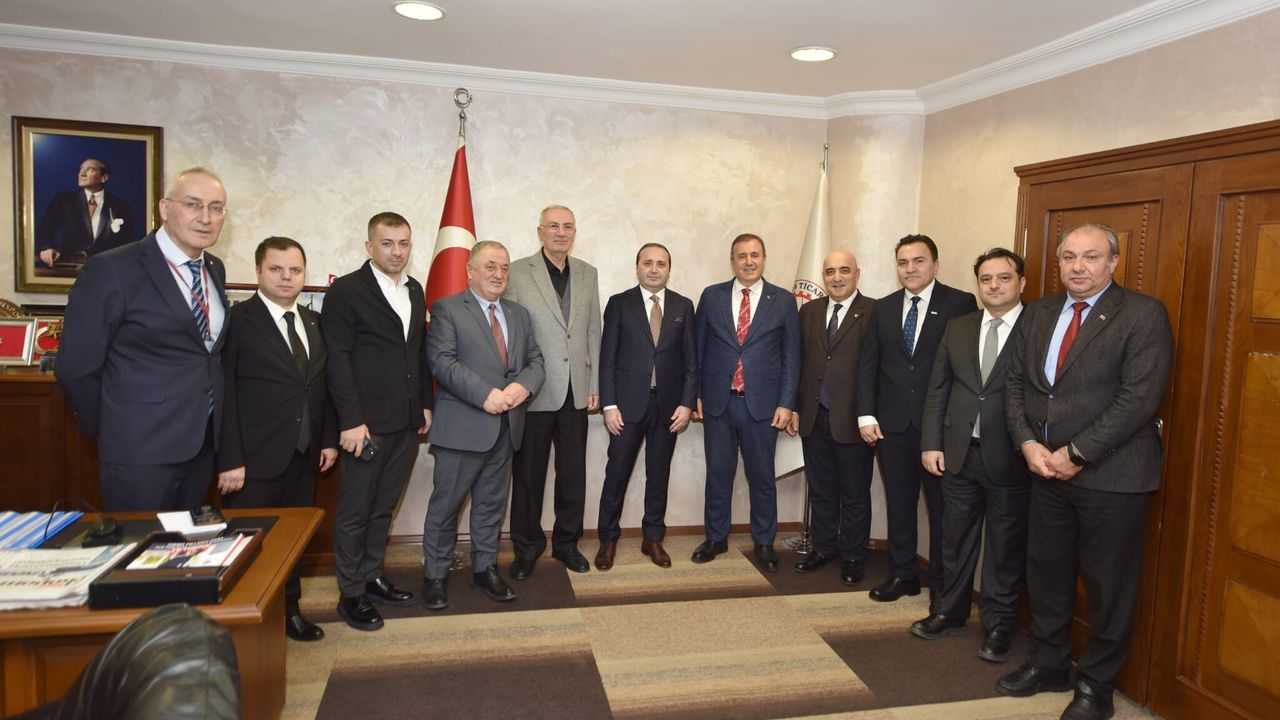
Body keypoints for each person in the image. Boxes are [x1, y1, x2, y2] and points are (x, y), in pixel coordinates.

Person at [997, 223, 1173, 720]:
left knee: (1108, 586)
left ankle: (1097, 686)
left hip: (1113, 477)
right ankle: (1048, 664)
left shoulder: (1142, 314)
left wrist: (1075, 453)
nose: (1078, 266)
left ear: (1113, 262)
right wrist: (1027, 443)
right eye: (1069, 257)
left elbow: (1139, 398)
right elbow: (1015, 385)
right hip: (1045, 471)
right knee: (1047, 575)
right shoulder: (1040, 313)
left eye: (1091, 257)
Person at [57, 167, 230, 511]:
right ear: (165, 208)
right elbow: (76, 366)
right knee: (138, 544)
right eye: (193, 204)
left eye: (216, 208)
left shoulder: (214, 268)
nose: (206, 217)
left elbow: (206, 355)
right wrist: (115, 426)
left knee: (185, 543)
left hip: (201, 445)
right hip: (139, 448)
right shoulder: (113, 268)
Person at [215, 236, 337, 643]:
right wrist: (230, 458)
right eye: (276, 269)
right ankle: (245, 626)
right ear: (258, 272)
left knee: (291, 543)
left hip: (304, 457)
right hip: (252, 461)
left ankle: (290, 611)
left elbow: (320, 388)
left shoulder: (314, 321)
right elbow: (225, 394)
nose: (287, 277)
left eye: (295, 270)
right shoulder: (237, 321)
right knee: (248, 546)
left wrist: (327, 440)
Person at [911, 247, 1029, 664]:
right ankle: (950, 611)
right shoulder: (960, 327)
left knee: (1004, 547)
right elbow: (938, 388)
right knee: (955, 539)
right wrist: (931, 442)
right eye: (986, 279)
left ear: (1021, 283)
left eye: (1004, 278)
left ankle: (998, 625)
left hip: (1012, 457)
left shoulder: (1036, 327)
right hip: (959, 454)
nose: (994, 286)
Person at [322, 211, 433, 632]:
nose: (396, 251)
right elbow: (337, 360)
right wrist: (351, 420)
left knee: (383, 508)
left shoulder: (415, 289)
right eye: (387, 243)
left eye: (403, 243)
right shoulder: (346, 291)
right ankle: (350, 593)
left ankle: (371, 576)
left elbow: (417, 352)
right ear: (370, 246)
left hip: (405, 422)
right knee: (356, 510)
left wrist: (424, 404)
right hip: (364, 426)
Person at [421, 241, 544, 610]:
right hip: (463, 427)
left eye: (504, 267)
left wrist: (524, 386)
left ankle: (485, 569)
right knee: (446, 507)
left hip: (506, 428)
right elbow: (441, 361)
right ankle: (435, 575)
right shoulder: (447, 309)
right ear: (469, 270)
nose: (498, 274)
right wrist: (485, 394)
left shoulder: (519, 314)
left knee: (491, 506)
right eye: (490, 266)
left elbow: (536, 361)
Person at [856, 234, 978, 602]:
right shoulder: (883, 308)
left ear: (935, 265)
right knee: (900, 504)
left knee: (943, 510)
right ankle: (903, 574)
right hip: (891, 425)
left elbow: (967, 368)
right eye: (903, 263)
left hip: (939, 430)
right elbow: (869, 365)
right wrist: (866, 414)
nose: (910, 269)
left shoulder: (960, 303)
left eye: (918, 261)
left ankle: (941, 583)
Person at [503, 205, 602, 579]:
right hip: (533, 391)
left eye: (568, 227)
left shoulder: (588, 273)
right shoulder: (517, 271)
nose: (561, 232)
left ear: (574, 232)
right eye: (554, 226)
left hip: (576, 391)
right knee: (528, 476)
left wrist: (594, 385)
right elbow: (509, 332)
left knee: (572, 473)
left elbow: (593, 330)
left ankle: (566, 544)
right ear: (540, 231)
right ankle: (526, 548)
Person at [692, 233, 799, 571]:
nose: (748, 261)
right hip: (718, 403)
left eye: (755, 255)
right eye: (742, 256)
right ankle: (716, 537)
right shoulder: (711, 296)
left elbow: (792, 356)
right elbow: (697, 349)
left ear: (764, 259)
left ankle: (764, 542)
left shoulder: (783, 300)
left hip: (763, 406)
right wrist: (695, 395)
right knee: (718, 473)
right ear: (732, 261)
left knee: (762, 477)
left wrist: (787, 403)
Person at [594, 243, 697, 570]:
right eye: (648, 263)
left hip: (668, 408)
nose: (654, 269)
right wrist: (609, 405)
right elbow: (607, 359)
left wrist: (687, 403)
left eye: (661, 264)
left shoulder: (683, 306)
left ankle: (653, 538)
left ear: (669, 269)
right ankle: (608, 539)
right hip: (626, 407)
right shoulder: (619, 303)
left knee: (658, 475)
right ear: (637, 267)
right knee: (616, 474)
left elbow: (691, 362)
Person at [789, 249, 875, 585]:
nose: (837, 278)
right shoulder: (809, 311)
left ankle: (853, 556)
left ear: (857, 273)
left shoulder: (874, 312)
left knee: (854, 493)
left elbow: (876, 369)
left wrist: (870, 415)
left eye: (844, 270)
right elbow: (800, 362)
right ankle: (823, 548)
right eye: (830, 272)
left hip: (854, 420)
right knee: (821, 490)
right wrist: (796, 407)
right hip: (814, 416)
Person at [37, 157, 138, 270]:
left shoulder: (120, 205)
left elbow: (127, 243)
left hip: (108, 269)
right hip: (70, 268)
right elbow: (46, 230)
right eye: (81, 169)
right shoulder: (63, 200)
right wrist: (46, 248)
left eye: (90, 169)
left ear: (104, 177)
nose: (82, 174)